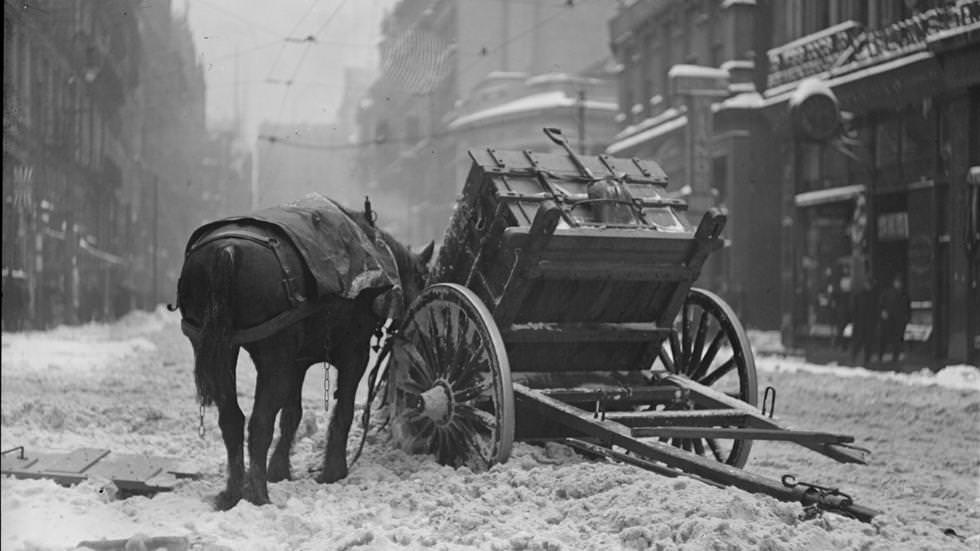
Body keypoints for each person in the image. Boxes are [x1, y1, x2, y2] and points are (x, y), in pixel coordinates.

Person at [877, 274, 910, 364]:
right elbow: (881, 304)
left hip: (899, 320)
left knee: (898, 339)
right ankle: (881, 354)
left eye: (899, 283)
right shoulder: (888, 293)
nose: (898, 284)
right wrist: (883, 312)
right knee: (885, 338)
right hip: (889, 319)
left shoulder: (903, 294)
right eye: (897, 282)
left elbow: (906, 307)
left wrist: (906, 318)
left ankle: (895, 356)